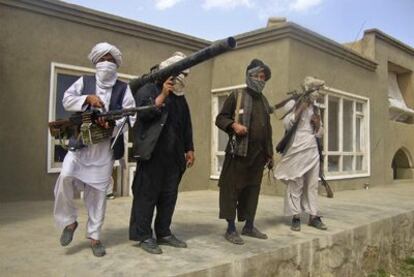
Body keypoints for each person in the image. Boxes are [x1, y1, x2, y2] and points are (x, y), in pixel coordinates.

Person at [53, 42, 136, 257]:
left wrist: (113, 125)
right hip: (80, 147)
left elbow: (131, 115)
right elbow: (66, 100)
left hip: (104, 151)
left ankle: (95, 236)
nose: (107, 63)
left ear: (116, 64)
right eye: (103, 59)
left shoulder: (124, 88)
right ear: (96, 62)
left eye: (111, 60)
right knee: (65, 177)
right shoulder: (84, 81)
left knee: (98, 195)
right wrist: (86, 99)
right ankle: (69, 222)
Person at [129, 52, 195, 254]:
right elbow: (144, 113)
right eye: (179, 73)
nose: (182, 78)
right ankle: (143, 235)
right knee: (146, 196)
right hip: (152, 154)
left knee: (168, 196)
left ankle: (164, 233)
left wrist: (189, 148)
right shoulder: (147, 88)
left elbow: (185, 125)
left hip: (173, 157)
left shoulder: (180, 97)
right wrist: (163, 95)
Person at [215, 59, 274, 245]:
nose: (260, 79)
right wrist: (234, 125)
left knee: (252, 191)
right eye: (257, 75)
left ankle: (249, 225)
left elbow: (268, 129)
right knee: (232, 191)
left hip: (258, 156)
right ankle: (231, 229)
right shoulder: (237, 95)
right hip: (238, 154)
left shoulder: (264, 101)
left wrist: (270, 153)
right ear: (249, 76)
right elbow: (220, 118)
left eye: (263, 77)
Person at [273, 77, 327, 232]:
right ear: (308, 89)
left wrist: (317, 126)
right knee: (296, 182)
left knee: (312, 184)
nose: (318, 94)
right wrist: (300, 109)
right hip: (297, 147)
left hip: (312, 149)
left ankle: (313, 216)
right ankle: (295, 216)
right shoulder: (293, 103)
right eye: (316, 90)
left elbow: (320, 133)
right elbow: (287, 124)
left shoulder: (316, 109)